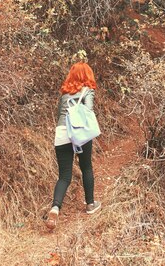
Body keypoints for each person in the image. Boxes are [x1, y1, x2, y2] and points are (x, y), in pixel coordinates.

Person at [46, 50, 101, 230]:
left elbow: (60, 116)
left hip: (62, 133)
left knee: (64, 176)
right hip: (80, 133)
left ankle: (55, 208)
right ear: (87, 76)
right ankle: (90, 204)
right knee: (86, 167)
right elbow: (89, 111)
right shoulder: (88, 91)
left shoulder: (64, 96)